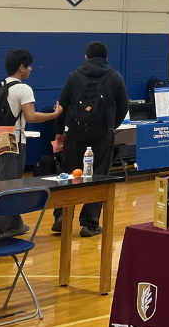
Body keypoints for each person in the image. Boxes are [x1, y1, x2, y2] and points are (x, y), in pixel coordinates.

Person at [51, 41, 129, 237]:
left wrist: (59, 131)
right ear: (107, 57)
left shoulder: (74, 76)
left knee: (68, 175)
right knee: (98, 177)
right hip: (102, 134)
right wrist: (113, 125)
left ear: (85, 57)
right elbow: (123, 105)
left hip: (75, 133)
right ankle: (90, 224)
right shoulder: (115, 77)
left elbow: (61, 106)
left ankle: (62, 215)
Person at [0, 49, 62, 237]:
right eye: (28, 66)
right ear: (21, 67)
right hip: (14, 140)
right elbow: (31, 116)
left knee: (4, 181)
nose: (30, 70)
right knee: (7, 185)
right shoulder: (23, 88)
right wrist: (55, 115)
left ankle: (14, 223)